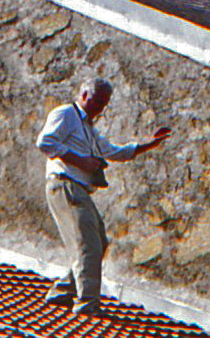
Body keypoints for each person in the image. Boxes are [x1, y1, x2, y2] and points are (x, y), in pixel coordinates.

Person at [36, 78, 170, 315]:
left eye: (104, 104)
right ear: (84, 95)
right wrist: (81, 161)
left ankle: (63, 290)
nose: (100, 108)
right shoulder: (65, 114)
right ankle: (87, 303)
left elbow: (113, 152)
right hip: (65, 185)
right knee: (88, 243)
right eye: (97, 102)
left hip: (78, 189)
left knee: (98, 240)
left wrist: (147, 145)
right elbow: (45, 142)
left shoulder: (88, 128)